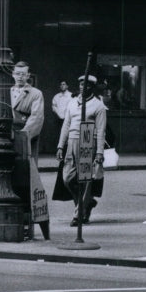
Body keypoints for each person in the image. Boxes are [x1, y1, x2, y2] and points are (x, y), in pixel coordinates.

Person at [56, 74, 107, 225]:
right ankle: (88, 202)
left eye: (86, 85)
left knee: (85, 180)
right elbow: (66, 124)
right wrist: (60, 145)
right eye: (80, 85)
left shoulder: (98, 106)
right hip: (71, 141)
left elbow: (101, 130)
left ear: (92, 87)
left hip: (86, 138)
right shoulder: (72, 103)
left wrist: (99, 152)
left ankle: (79, 214)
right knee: (67, 178)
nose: (82, 88)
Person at [10, 61, 45, 164]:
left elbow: (36, 117)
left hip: (25, 134)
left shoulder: (36, 93)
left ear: (28, 75)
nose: (20, 77)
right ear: (13, 74)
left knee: (25, 165)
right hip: (9, 134)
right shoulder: (8, 92)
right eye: (17, 73)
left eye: (23, 74)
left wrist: (23, 135)